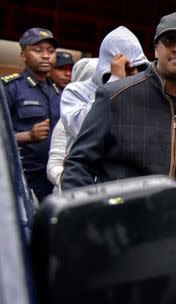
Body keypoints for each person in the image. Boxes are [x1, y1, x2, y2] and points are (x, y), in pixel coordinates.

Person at [61, 11, 176, 190]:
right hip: (121, 216)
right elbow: (78, 166)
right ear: (156, 49)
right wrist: (89, 216)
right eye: (169, 40)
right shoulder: (114, 97)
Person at [60, 26, 150, 150]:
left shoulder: (143, 93)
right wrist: (115, 82)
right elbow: (82, 129)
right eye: (126, 68)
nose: (130, 73)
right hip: (86, 168)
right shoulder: (75, 92)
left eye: (137, 67)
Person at [1, 27, 60, 201]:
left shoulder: (59, 92)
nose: (45, 55)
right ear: (23, 55)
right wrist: (27, 136)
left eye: (51, 51)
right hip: (22, 181)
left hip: (53, 181)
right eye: (37, 50)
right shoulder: (10, 88)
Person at [46, 58, 98, 192]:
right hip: (72, 198)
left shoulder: (112, 115)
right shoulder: (66, 122)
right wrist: (74, 182)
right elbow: (54, 166)